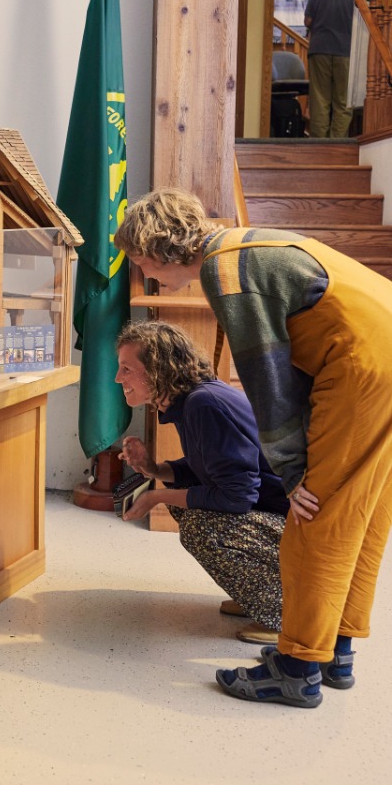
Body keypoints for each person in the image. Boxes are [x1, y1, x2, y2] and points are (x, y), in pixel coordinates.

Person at [114, 187, 392, 709]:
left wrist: (293, 470)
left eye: (141, 260)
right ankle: (335, 651)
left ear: (160, 244)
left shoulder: (227, 273)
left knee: (318, 519)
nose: (146, 273)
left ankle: (298, 668)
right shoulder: (242, 246)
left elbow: (266, 376)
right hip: (379, 355)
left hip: (362, 366)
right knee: (363, 515)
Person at [114, 320, 288, 646]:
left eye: (126, 369)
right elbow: (208, 471)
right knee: (191, 512)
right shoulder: (194, 400)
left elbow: (236, 497)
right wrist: (153, 467)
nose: (117, 378)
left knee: (202, 527)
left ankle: (285, 614)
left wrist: (157, 497)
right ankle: (259, 594)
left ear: (158, 369)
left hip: (298, 525)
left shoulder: (204, 404)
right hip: (278, 514)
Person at [304, 0, 357, 138]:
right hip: (347, 51)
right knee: (343, 102)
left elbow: (308, 20)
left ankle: (318, 146)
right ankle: (337, 146)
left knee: (319, 100)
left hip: (319, 49)